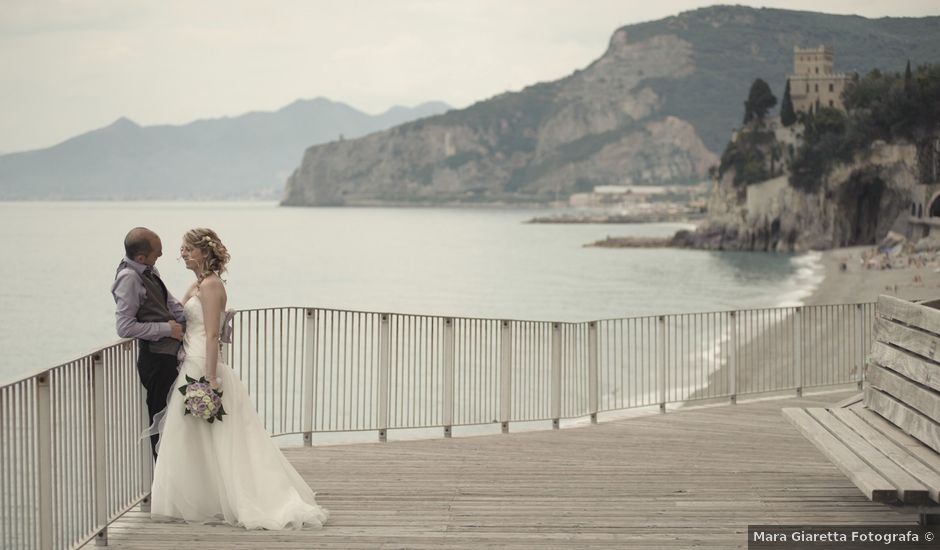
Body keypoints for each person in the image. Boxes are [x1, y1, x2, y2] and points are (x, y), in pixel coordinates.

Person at [150, 228, 328, 530]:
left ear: (204, 252)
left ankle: (241, 498)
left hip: (203, 368)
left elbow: (213, 334)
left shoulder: (212, 286)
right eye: (182, 249)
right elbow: (181, 317)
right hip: (189, 363)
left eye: (187, 249)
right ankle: (202, 499)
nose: (182, 253)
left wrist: (210, 377)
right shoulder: (197, 284)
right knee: (192, 439)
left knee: (222, 439)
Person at [112, 227, 186, 459]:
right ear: (141, 257)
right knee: (162, 423)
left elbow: (168, 304)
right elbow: (125, 327)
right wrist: (167, 329)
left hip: (168, 356)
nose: (161, 255)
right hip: (156, 361)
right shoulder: (128, 278)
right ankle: (164, 484)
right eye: (158, 252)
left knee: (176, 424)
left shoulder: (148, 270)